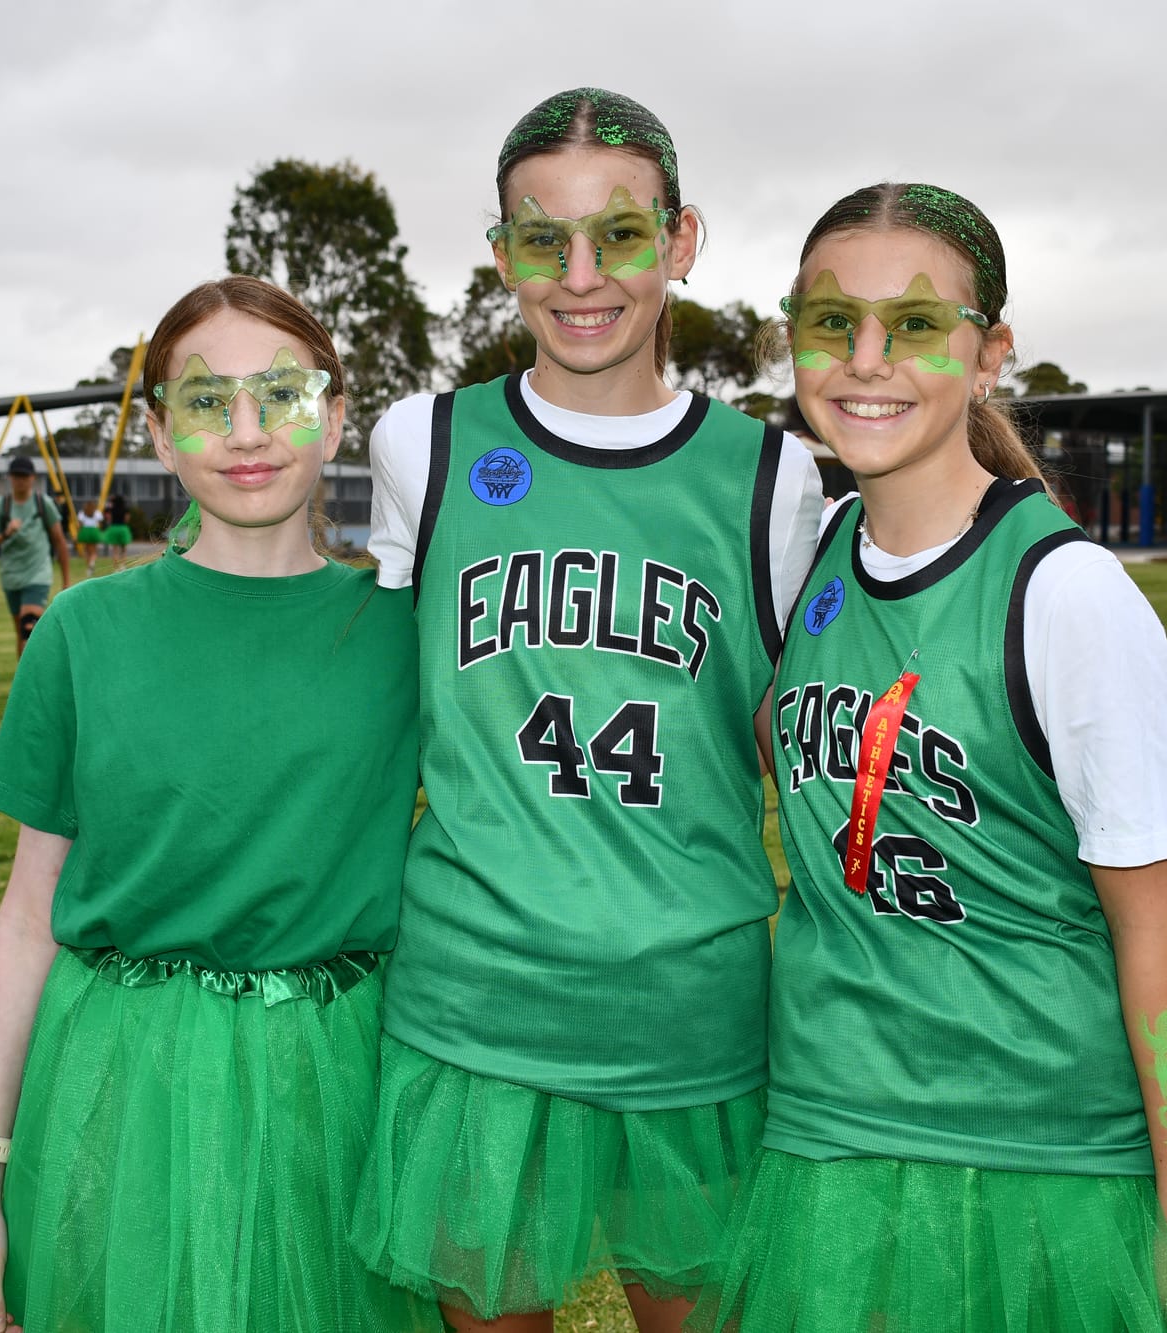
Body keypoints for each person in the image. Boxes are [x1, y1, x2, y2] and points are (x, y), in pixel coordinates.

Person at [692, 183, 1167, 1333]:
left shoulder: (1065, 594)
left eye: (913, 324)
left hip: (1035, 1157)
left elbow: (1157, 927)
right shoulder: (803, 556)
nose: (865, 360)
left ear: (989, 353)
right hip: (825, 1139)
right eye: (828, 323)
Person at [354, 88, 823, 1333]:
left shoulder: (774, 474)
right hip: (477, 1008)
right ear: (498, 250)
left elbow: (800, 734)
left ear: (678, 241)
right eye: (537, 238)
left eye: (617, 235)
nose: (579, 276)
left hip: (692, 1011)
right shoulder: (425, 444)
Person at [0, 274, 437, 1333]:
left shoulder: (409, 633)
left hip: (336, 1092)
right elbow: (29, 917)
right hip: (122, 1095)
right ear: (160, 435)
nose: (245, 432)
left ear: (337, 415)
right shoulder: (80, 634)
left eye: (281, 394)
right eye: (207, 402)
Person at [0, 457, 71, 657]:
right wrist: (6, 534)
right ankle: (24, 683)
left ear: (32, 478)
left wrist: (66, 580)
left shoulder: (42, 503)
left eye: (24, 476)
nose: (20, 481)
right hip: (11, 577)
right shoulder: (1, 506)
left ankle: (34, 685)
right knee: (21, 633)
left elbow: (60, 541)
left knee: (29, 630)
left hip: (38, 574)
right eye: (16, 476)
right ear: (10, 478)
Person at [101, 491, 134, 569]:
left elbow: (108, 518)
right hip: (123, 528)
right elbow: (127, 519)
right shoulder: (126, 509)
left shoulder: (111, 509)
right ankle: (123, 566)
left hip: (114, 528)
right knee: (123, 550)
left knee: (115, 550)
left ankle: (115, 568)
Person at [73, 499, 105, 577]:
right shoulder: (97, 512)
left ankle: (89, 568)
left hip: (85, 531)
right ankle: (92, 563)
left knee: (87, 551)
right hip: (94, 531)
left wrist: (77, 535)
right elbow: (100, 524)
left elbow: (79, 525)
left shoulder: (82, 512)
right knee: (94, 551)